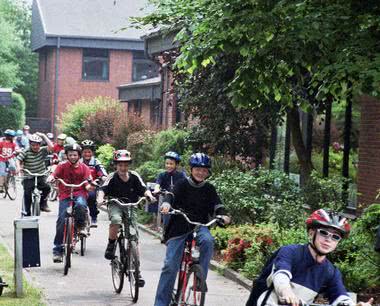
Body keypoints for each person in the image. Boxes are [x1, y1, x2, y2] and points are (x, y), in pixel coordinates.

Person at [245, 209, 374, 306]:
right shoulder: (290, 252)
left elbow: (339, 295)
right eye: (324, 233)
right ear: (311, 233)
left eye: (335, 237)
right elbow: (281, 275)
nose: (328, 240)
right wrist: (287, 292)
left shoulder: (331, 271)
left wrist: (352, 305)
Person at [153, 153, 231, 306]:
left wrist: (224, 215)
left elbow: (218, 205)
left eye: (204, 170)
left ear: (208, 172)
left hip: (199, 226)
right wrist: (167, 204)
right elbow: (170, 195)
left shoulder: (209, 188)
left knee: (208, 241)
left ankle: (199, 279)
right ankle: (161, 303)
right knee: (170, 266)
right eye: (197, 169)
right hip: (179, 228)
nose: (201, 172)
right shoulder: (182, 184)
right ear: (191, 169)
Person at [96, 149, 155, 286]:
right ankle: (111, 244)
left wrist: (149, 195)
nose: (123, 167)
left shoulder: (134, 176)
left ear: (129, 165)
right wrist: (100, 199)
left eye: (126, 164)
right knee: (116, 220)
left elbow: (143, 188)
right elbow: (102, 190)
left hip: (131, 206)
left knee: (134, 238)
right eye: (120, 164)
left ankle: (136, 270)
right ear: (116, 165)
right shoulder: (112, 176)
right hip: (115, 204)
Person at [48, 144, 93, 263]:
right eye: (70, 155)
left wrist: (88, 186)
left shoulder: (84, 167)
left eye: (75, 155)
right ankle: (57, 250)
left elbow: (88, 180)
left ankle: (80, 225)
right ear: (67, 156)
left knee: (81, 205)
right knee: (61, 220)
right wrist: (51, 178)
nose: (73, 157)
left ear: (79, 156)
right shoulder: (62, 166)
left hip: (79, 192)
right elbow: (54, 174)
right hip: (65, 194)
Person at [16, 133, 53, 215]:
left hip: (40, 175)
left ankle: (43, 204)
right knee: (27, 193)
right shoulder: (26, 151)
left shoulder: (42, 150)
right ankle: (26, 212)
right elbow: (18, 160)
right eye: (33, 145)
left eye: (37, 145)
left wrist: (43, 136)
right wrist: (18, 167)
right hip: (29, 177)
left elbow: (51, 147)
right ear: (30, 144)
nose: (35, 147)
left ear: (40, 145)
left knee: (47, 188)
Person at [153, 151, 186, 235]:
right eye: (167, 163)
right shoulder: (162, 175)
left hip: (179, 201)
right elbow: (157, 184)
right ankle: (165, 233)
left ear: (176, 165)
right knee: (166, 219)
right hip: (166, 201)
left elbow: (187, 184)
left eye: (171, 164)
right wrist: (157, 189)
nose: (168, 166)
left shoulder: (181, 175)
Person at [80, 139, 107, 227]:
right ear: (81, 152)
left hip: (92, 185)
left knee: (91, 197)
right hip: (80, 186)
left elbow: (101, 172)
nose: (87, 154)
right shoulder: (78, 162)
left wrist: (103, 177)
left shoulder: (96, 162)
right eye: (85, 152)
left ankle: (94, 217)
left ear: (92, 152)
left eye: (89, 152)